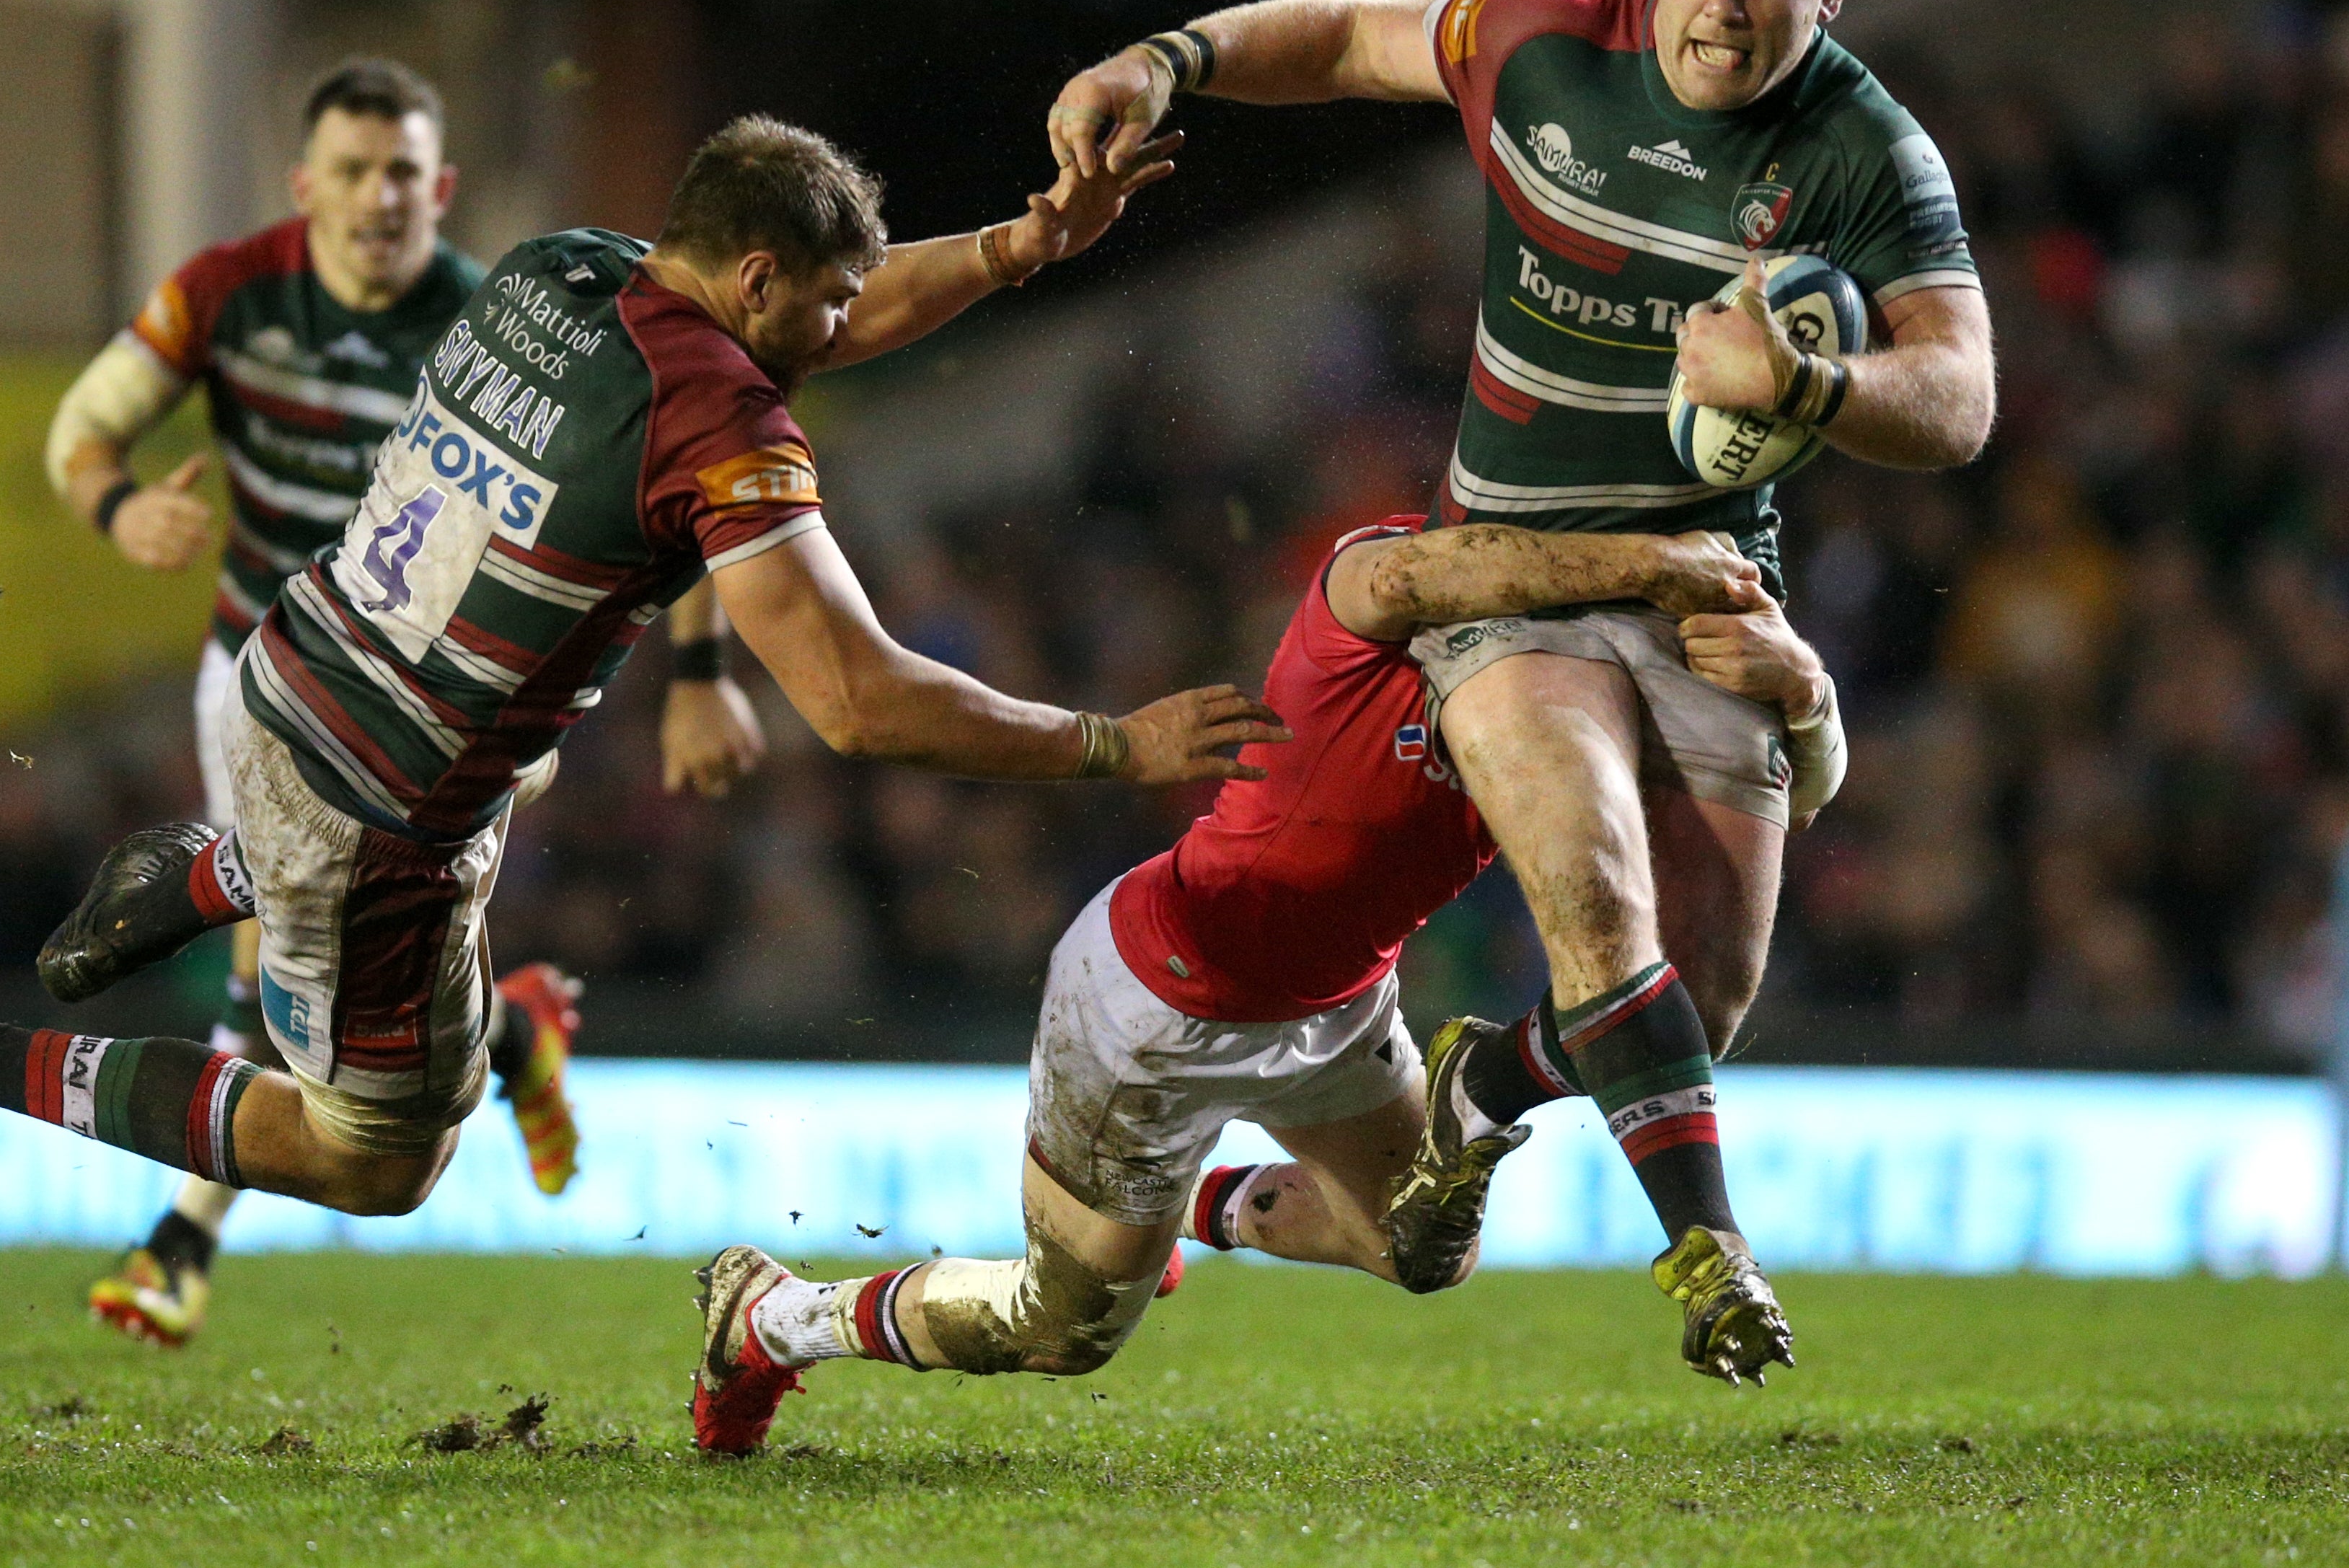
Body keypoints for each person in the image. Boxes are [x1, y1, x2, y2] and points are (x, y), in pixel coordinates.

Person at [0, 115, 1276, 1235]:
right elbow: (854, 696)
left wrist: (1018, 249)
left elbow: (806, 331)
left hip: (302, 673)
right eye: (822, 306)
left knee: (502, 759)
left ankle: (224, 869)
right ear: (757, 278)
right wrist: (1110, 747)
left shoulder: (564, 269)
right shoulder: (724, 420)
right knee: (377, 1155)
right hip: (371, 811)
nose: (836, 339)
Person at [1042, 0, 1995, 1373]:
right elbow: (1356, 35)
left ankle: (1483, 1085)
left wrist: (1811, 379)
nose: (1728, 11)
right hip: (1511, 576)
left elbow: (1957, 397)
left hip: (1701, 595)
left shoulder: (1866, 152)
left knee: (1698, 999)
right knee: (1597, 902)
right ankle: (1714, 1258)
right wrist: (1174, 58)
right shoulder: (1545, 38)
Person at [691, 516, 1846, 1454]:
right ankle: (774, 1316)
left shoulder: (1584, 687)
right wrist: (1655, 562)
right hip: (1159, 1000)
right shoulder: (1388, 579)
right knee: (1061, 1331)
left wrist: (1810, 700)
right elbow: (1435, 564)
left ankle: (1196, 1202)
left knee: (1424, 1252)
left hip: (1340, 1013)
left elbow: (1769, 811)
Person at [40, 58, 750, 1346]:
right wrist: (118, 501)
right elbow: (81, 430)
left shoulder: (504, 320)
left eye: (405, 173)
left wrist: (699, 677)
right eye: (356, 172)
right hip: (271, 675)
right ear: (306, 185)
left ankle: (180, 1242)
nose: (380, 197)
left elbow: (677, 483)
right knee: (320, 961)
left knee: (288, 965)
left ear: (443, 187)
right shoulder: (227, 292)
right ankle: (511, 1037)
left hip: (454, 693)